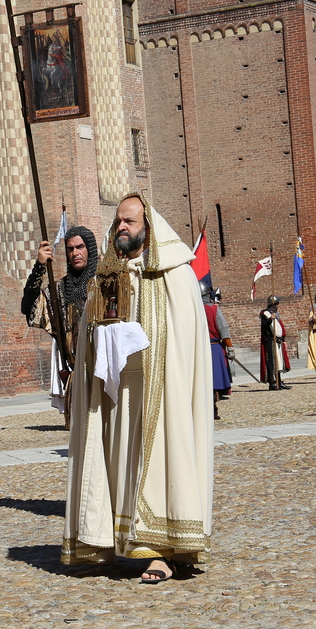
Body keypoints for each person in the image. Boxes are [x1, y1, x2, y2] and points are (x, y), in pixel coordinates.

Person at [62, 192, 213, 584]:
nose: (122, 228)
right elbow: (89, 329)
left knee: (162, 462)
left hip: (161, 389)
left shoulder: (175, 274)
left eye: (129, 221)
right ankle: (122, 539)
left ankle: (164, 550)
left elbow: (180, 336)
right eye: (118, 222)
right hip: (117, 393)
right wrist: (99, 336)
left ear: (149, 225)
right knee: (120, 466)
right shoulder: (109, 276)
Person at [21, 226, 98, 419]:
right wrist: (39, 266)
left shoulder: (104, 282)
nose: (75, 253)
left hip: (104, 374)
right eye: (70, 249)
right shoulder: (60, 291)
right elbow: (29, 308)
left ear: (90, 248)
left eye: (80, 247)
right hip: (76, 376)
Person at [202, 283, 233, 419]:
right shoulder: (214, 309)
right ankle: (213, 409)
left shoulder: (190, 310)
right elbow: (224, 330)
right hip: (214, 348)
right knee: (214, 381)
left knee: (203, 381)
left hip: (198, 350)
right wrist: (230, 347)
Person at [259, 295, 291, 390]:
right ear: (272, 304)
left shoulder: (275, 314)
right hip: (270, 340)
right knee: (271, 362)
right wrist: (270, 319)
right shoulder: (265, 313)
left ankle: (279, 381)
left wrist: (283, 340)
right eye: (277, 304)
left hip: (277, 340)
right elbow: (264, 325)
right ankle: (272, 383)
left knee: (279, 362)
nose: (278, 305)